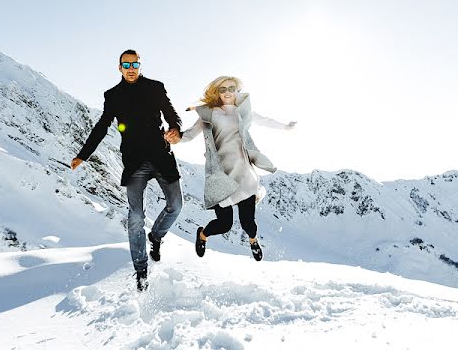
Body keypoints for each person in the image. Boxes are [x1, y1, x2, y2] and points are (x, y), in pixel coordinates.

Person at [71, 50, 183, 291]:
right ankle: (141, 270)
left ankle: (156, 236)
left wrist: (175, 128)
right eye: (126, 64)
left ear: (140, 65)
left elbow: (172, 114)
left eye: (135, 63)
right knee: (135, 218)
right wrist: (83, 154)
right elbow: (101, 127)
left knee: (176, 206)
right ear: (119, 67)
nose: (131, 67)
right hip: (134, 163)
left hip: (161, 156)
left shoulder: (155, 87)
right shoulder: (113, 95)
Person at [171, 76, 294, 261]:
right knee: (224, 224)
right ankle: (202, 235)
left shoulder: (242, 111)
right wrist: (176, 138)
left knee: (248, 223)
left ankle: (253, 241)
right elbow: (189, 135)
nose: (228, 92)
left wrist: (285, 127)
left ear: (237, 90)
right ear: (217, 93)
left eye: (232, 88)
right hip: (221, 174)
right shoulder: (209, 113)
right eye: (223, 89)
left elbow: (264, 120)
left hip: (243, 171)